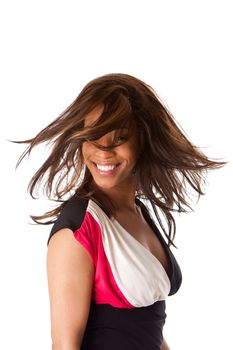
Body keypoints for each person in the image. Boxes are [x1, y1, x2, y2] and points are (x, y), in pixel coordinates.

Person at [16, 73, 225, 349]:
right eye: (94, 137)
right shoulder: (80, 229)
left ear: (143, 141)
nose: (104, 151)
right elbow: (65, 345)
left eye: (120, 138)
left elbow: (150, 332)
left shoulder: (139, 213)